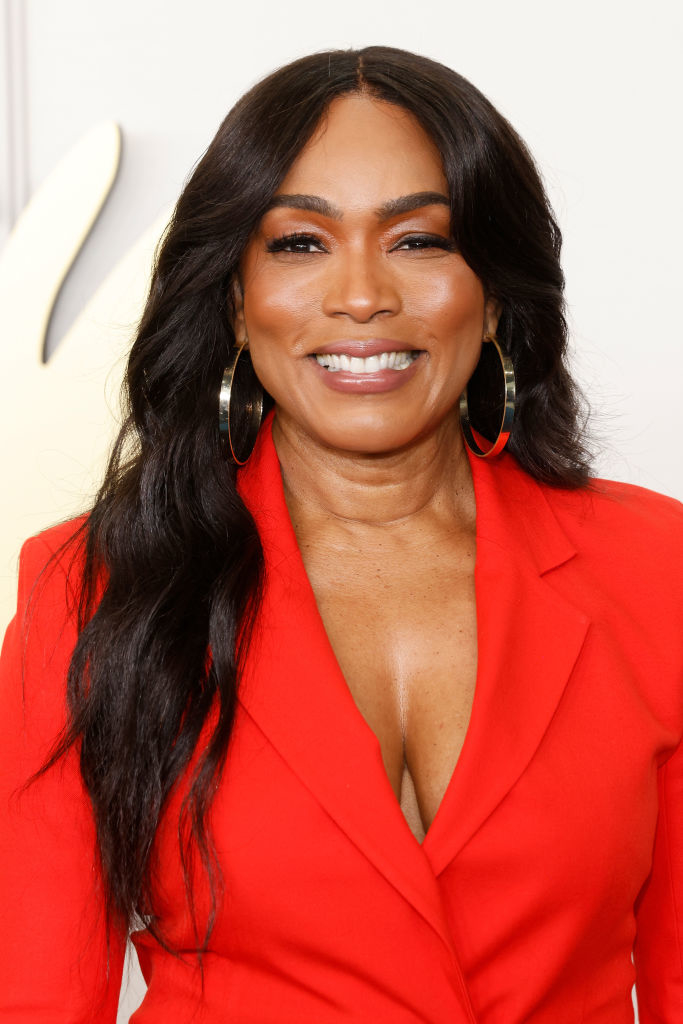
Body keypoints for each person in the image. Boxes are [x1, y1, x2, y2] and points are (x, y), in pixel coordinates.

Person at [0, 46, 681, 1024]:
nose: (361, 294)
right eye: (298, 243)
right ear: (234, 296)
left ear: (492, 291)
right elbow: (33, 997)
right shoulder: (94, 585)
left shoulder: (655, 568)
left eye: (418, 241)